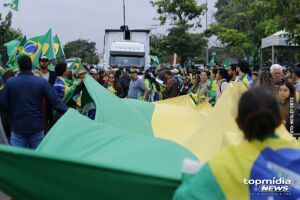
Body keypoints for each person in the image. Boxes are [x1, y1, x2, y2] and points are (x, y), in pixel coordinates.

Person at [173, 88, 300, 200]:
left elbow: (182, 197)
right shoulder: (296, 153)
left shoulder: (222, 164)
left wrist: (190, 178)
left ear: (239, 123)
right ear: (279, 120)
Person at [0, 55, 68, 149]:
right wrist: (71, 112)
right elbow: (56, 102)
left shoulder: (11, 83)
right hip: (36, 128)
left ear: (19, 66)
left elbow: (3, 103)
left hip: (17, 128)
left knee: (17, 160)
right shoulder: (41, 82)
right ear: (31, 65)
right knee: (37, 159)